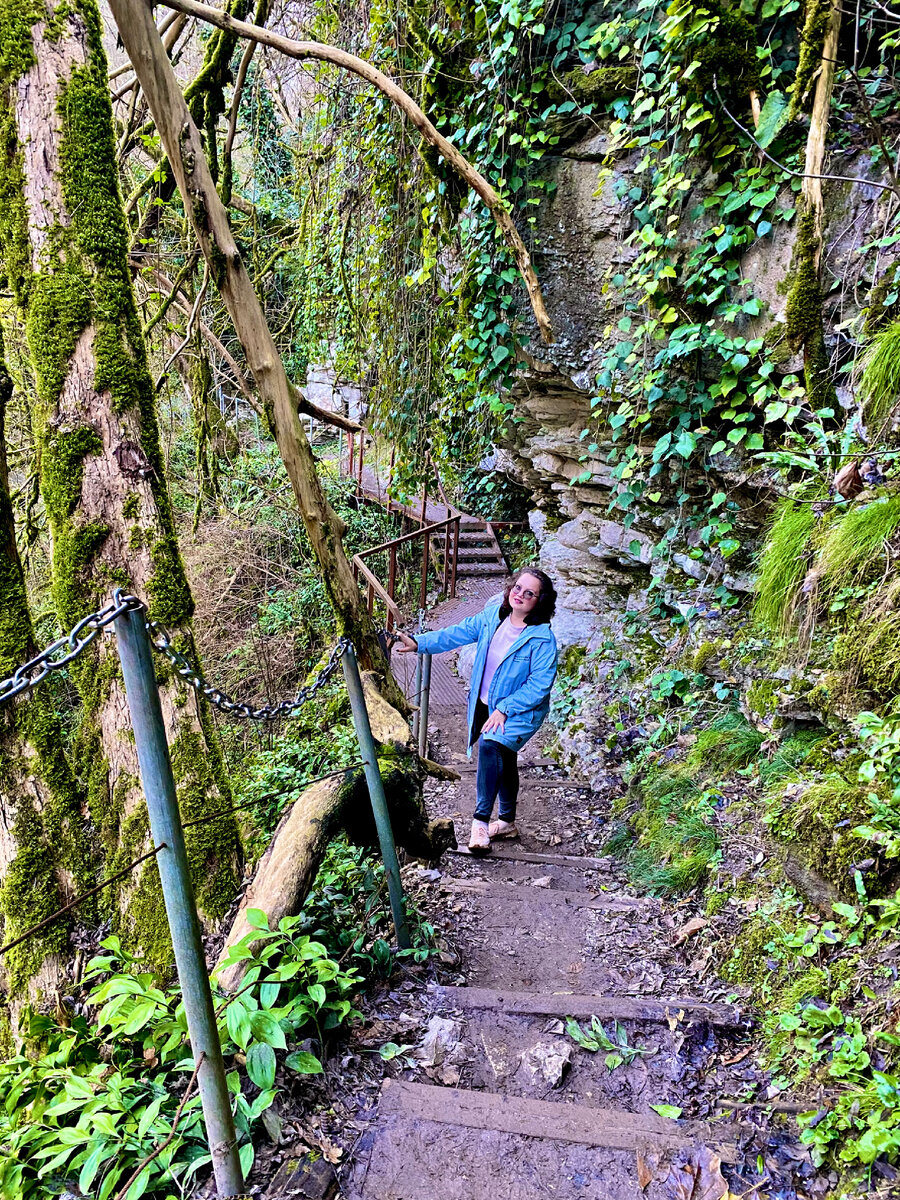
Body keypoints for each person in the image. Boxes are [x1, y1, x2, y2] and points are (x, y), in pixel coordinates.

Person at [395, 568, 558, 854]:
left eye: (529, 593)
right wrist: (419, 642)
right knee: (504, 755)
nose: (519, 595)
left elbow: (539, 685)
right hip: (486, 703)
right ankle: (506, 822)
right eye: (517, 587)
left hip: (521, 710)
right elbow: (457, 633)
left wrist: (505, 709)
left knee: (490, 744)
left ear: (539, 601)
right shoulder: (493, 616)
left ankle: (479, 823)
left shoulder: (542, 639)